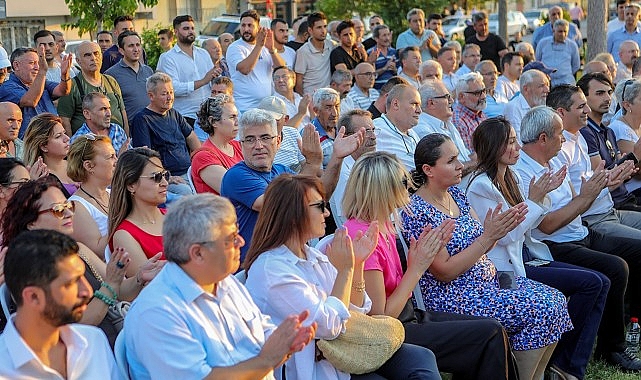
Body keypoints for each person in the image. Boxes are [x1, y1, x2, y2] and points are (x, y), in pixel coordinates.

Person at [402, 133, 572, 380]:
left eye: (458, 158)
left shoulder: (456, 196)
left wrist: (493, 234)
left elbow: (483, 244)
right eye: (450, 161)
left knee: (555, 300)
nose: (460, 165)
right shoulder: (418, 211)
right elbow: (445, 271)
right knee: (541, 309)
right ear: (428, 169)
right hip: (454, 297)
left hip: (487, 284)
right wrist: (487, 237)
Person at [244, 174, 441, 380]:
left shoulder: (312, 255)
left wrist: (357, 265)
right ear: (293, 214)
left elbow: (356, 311)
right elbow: (329, 326)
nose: (327, 213)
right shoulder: (271, 270)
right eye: (319, 206)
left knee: (420, 358)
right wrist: (346, 270)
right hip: (318, 367)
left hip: (346, 352)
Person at [342, 151, 518, 380]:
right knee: (489, 334)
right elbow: (381, 316)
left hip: (408, 316)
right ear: (383, 189)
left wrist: (424, 253)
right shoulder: (362, 236)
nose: (410, 187)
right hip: (390, 331)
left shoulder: (381, 223)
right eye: (403, 182)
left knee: (490, 332)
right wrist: (417, 267)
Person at [467, 117, 610, 380]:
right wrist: (534, 200)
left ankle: (556, 369)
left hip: (526, 256)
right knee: (584, 286)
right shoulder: (480, 186)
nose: (517, 148)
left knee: (597, 282)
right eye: (510, 143)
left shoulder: (509, 177)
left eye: (515, 141)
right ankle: (560, 368)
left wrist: (538, 198)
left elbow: (523, 228)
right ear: (493, 147)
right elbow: (504, 237)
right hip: (501, 269)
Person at [124, 193, 316, 379]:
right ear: (198, 253)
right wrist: (267, 360)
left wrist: (285, 340)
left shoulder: (225, 281)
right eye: (230, 239)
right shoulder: (156, 313)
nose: (241, 242)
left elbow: (260, 330)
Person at [514, 105, 641, 371]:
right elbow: (546, 225)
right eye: (560, 134)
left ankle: (631, 324)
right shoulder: (521, 172)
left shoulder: (557, 159)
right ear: (543, 139)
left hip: (579, 232)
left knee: (636, 249)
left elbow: (575, 201)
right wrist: (586, 196)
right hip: (554, 245)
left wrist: (603, 185)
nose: (565, 139)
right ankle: (611, 348)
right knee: (614, 268)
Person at [1, 177, 164, 347]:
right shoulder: (28, 266)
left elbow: (121, 291)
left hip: (114, 338)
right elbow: (74, 326)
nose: (69, 213)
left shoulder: (77, 249)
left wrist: (139, 278)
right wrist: (110, 285)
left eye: (69, 206)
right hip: (86, 350)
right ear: (31, 222)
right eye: (58, 209)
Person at [221, 108, 363, 261]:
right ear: (240, 145)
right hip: (257, 267)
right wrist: (312, 163)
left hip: (290, 261)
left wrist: (337, 157)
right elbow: (282, 204)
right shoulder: (236, 176)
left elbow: (319, 199)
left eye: (265, 137)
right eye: (249, 139)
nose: (259, 145)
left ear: (278, 141)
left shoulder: (282, 171)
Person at [0, 229, 119, 379]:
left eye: (83, 277)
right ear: (33, 297)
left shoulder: (93, 341)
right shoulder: (4, 368)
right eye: (71, 283)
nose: (87, 291)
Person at [131, 72, 201, 196]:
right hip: (167, 177)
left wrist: (200, 161)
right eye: (164, 94)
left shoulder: (174, 114)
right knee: (185, 192)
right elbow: (145, 157)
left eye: (171, 92)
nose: (169, 97)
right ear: (151, 96)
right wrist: (166, 177)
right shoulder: (142, 119)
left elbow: (191, 137)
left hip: (189, 171)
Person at [109, 147, 168, 278]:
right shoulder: (124, 235)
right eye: (156, 177)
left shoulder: (173, 215)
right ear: (131, 185)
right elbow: (146, 285)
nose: (165, 183)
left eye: (165, 175)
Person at [57, 41, 128, 136]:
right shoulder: (71, 86)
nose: (93, 58)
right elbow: (65, 122)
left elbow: (123, 114)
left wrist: (126, 140)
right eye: (87, 55)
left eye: (96, 53)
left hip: (118, 141)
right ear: (78, 61)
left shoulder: (111, 81)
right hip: (89, 146)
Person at [156, 15, 216, 125]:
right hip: (184, 116)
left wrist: (216, 77)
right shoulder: (168, 58)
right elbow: (174, 88)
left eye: (192, 28)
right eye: (186, 29)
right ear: (176, 32)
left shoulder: (203, 53)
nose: (191, 31)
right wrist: (203, 81)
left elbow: (211, 82)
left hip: (208, 115)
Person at [0, 46, 71, 138]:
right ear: (16, 65)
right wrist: (42, 71)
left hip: (53, 137)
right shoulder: (7, 87)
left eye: (38, 63)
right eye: (32, 63)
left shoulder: (41, 81)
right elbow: (30, 101)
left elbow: (62, 91)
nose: (37, 67)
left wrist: (65, 75)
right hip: (32, 144)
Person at [67, 134, 116, 257]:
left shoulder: (112, 194)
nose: (117, 161)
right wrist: (125, 215)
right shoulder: (76, 206)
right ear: (89, 166)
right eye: (111, 157)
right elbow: (98, 252)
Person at [227, 10, 286, 112]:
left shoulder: (265, 46)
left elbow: (282, 69)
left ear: (258, 27)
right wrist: (259, 46)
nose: (246, 29)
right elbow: (245, 69)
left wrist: (272, 49)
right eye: (243, 25)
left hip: (267, 107)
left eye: (250, 26)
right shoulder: (235, 47)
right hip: (245, 108)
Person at [328, 110, 378, 227]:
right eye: (366, 132)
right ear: (346, 137)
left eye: (373, 130)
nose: (373, 137)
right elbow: (349, 221)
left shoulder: (369, 164)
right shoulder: (343, 173)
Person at [415, 80, 475, 178]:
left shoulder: (447, 123)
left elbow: (465, 157)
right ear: (431, 103)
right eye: (447, 97)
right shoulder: (423, 130)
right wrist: (478, 162)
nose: (452, 100)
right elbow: (446, 172)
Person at [191, 94, 243, 195]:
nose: (237, 122)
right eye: (232, 117)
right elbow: (236, 191)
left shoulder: (239, 146)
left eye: (237, 116)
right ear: (213, 121)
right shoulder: (203, 156)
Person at [104, 30, 154, 126]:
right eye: (131, 46)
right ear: (121, 51)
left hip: (153, 125)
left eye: (138, 45)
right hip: (130, 129)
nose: (136, 49)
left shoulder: (149, 71)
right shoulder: (111, 74)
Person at [23, 113, 77, 197]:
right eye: (58, 136)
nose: (67, 138)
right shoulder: (40, 177)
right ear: (44, 146)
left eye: (64, 133)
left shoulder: (76, 164)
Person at [373, 83, 421, 171]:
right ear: (395, 104)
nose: (419, 111)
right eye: (414, 104)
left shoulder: (413, 133)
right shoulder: (376, 130)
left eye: (419, 105)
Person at [504, 69, 550, 143]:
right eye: (541, 86)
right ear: (526, 89)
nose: (547, 90)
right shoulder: (514, 108)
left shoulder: (541, 106)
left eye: (548, 85)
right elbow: (519, 142)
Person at [295, 12, 335, 95]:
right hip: (311, 99)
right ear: (310, 30)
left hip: (328, 97)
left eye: (325, 26)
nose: (323, 31)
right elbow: (298, 81)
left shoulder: (331, 45)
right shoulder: (303, 51)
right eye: (319, 27)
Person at [535, 20, 580, 86]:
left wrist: (563, 73)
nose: (563, 34)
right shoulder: (543, 43)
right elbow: (537, 61)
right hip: (546, 81)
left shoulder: (572, 45)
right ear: (553, 30)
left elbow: (576, 65)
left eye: (565, 31)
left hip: (566, 81)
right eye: (560, 31)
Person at [452, 72, 487, 151]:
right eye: (477, 93)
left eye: (484, 91)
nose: (483, 96)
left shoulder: (480, 113)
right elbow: (469, 156)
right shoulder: (458, 121)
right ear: (461, 97)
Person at [367, 24, 397, 90]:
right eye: (384, 35)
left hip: (393, 91)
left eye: (388, 34)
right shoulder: (370, 53)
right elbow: (369, 75)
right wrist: (384, 68)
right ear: (376, 39)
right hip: (377, 91)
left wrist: (395, 69)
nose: (387, 38)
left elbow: (399, 73)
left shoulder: (394, 52)